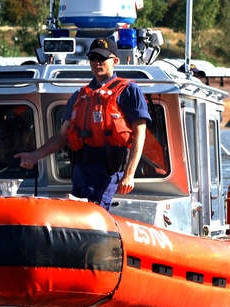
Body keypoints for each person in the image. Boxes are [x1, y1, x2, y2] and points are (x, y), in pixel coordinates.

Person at [16, 37, 150, 210]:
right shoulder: (80, 95)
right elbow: (63, 135)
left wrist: (129, 175)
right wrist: (34, 156)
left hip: (107, 171)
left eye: (102, 58)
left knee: (95, 215)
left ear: (115, 61)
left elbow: (140, 133)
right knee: (79, 216)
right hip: (81, 172)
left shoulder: (129, 91)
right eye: (92, 58)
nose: (96, 62)